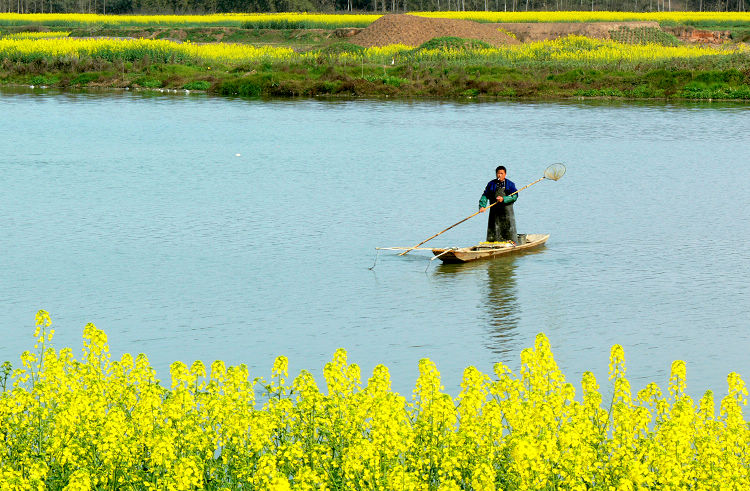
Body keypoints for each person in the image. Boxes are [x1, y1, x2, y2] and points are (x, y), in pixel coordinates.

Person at [479, 165, 518, 243]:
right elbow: (485, 195)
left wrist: (504, 199)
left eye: (502, 173)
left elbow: (515, 196)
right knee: (494, 228)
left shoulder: (510, 184)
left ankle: (511, 243)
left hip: (507, 211)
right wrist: (482, 206)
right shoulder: (491, 184)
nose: (500, 175)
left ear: (505, 174)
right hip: (494, 211)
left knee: (508, 228)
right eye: (498, 173)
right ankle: (492, 243)